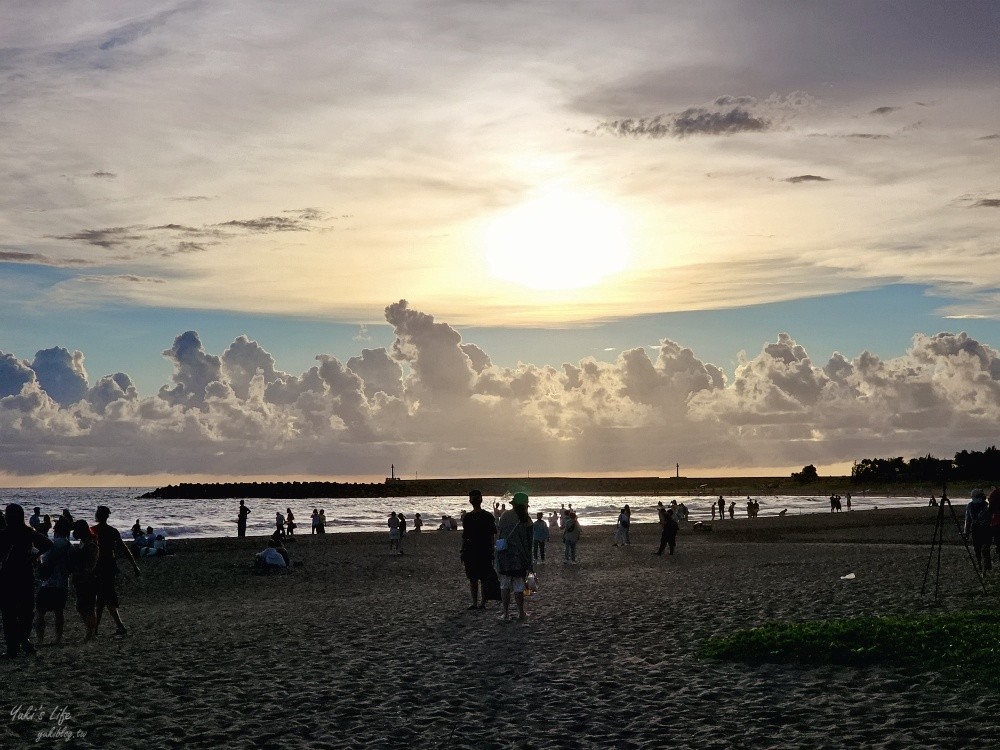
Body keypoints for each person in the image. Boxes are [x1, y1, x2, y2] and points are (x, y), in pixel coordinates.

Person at [0, 503, 53, 657]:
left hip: (8, 575)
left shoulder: (5, 534)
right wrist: (33, 558)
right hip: (25, 573)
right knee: (26, 611)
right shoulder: (28, 532)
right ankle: (24, 640)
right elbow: (48, 543)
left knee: (8, 612)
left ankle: (13, 647)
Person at [91, 505, 141, 636]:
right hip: (109, 565)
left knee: (101, 598)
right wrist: (134, 566)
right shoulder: (112, 531)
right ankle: (118, 626)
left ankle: (96, 629)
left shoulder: (94, 531)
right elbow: (124, 549)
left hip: (99, 566)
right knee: (107, 596)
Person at [496, 493, 534, 621]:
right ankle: (521, 613)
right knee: (518, 586)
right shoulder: (526, 520)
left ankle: (505, 613)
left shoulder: (505, 515)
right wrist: (529, 559)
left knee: (505, 585)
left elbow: (500, 533)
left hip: (504, 556)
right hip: (520, 557)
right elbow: (530, 542)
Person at [35, 518, 72, 645]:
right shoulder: (69, 546)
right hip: (62, 584)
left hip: (48, 583)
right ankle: (58, 638)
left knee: (40, 613)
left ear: (55, 530)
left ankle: (40, 640)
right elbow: (71, 567)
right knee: (59, 613)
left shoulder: (50, 544)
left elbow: (43, 561)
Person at [461, 490, 499, 609]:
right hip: (483, 551)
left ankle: (475, 602)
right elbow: (492, 535)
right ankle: (482, 602)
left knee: (473, 579)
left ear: (470, 501)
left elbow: (465, 536)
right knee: (483, 578)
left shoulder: (468, 517)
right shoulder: (487, 516)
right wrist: (492, 550)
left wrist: (462, 550)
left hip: (472, 551)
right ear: (481, 500)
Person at [70, 520, 99, 641]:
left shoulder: (90, 544)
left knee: (87, 607)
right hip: (82, 578)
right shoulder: (85, 542)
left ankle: (90, 634)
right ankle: (90, 632)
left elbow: (90, 565)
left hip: (87, 579)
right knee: (82, 606)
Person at [964, 489, 992, 572]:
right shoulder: (970, 506)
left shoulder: (986, 507)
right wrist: (966, 533)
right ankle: (980, 565)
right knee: (977, 549)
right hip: (975, 530)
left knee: (985, 549)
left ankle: (987, 566)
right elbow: (967, 520)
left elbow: (988, 520)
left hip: (985, 530)